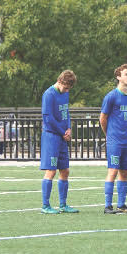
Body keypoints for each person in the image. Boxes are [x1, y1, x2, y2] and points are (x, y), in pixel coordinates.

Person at [100, 64, 127, 214]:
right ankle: (108, 206)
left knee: (125, 172)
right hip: (115, 141)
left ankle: (122, 204)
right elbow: (102, 118)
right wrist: (109, 134)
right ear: (118, 76)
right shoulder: (111, 96)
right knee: (113, 170)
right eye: (126, 74)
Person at [40, 70, 78, 214]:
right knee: (51, 171)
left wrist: (68, 127)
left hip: (62, 136)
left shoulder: (65, 93)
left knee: (65, 170)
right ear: (61, 81)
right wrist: (62, 132)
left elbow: (66, 112)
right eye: (66, 87)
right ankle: (45, 206)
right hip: (51, 136)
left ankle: (63, 204)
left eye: (69, 88)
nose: (67, 91)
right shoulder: (48, 94)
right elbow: (48, 119)